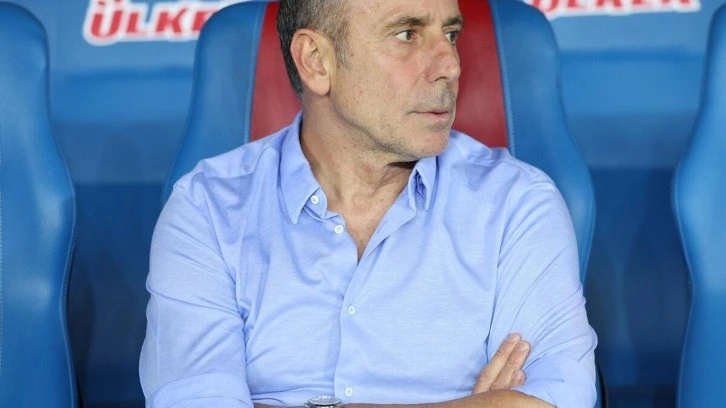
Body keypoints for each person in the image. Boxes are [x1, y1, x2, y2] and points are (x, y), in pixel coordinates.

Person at [139, 0, 598, 407]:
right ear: (316, 61)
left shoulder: (517, 202)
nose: (450, 66)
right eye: (407, 34)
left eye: (451, 34)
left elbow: (559, 396)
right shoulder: (207, 208)